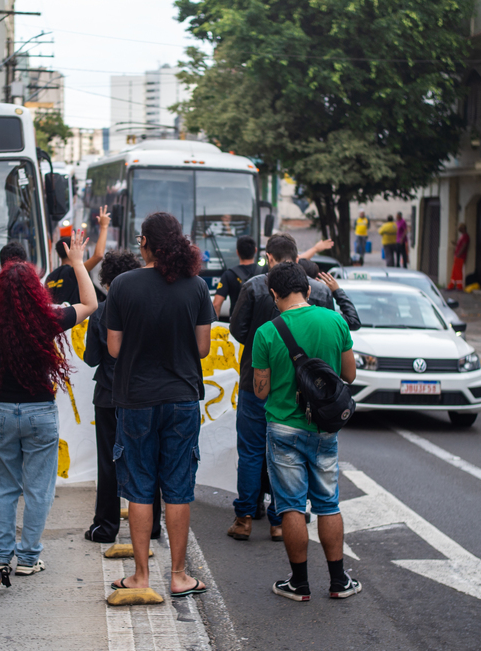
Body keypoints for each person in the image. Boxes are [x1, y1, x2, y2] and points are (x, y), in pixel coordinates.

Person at [0, 217, 97, 577]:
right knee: (38, 488)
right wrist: (79, 262)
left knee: (2, 487)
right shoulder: (48, 317)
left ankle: (1, 556)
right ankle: (29, 558)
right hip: (40, 411)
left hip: (0, 410)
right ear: (36, 287)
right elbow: (89, 304)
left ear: (0, 287)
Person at [105, 212, 215, 598]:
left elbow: (114, 348)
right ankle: (180, 575)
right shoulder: (197, 287)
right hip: (182, 398)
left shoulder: (122, 284)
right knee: (178, 487)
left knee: (139, 486)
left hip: (136, 399)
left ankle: (139, 576)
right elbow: (202, 348)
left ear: (145, 243)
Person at [251, 261, 359, 601]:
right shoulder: (335, 321)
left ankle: (299, 583)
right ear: (308, 290)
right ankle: (339, 581)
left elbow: (261, 391)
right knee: (328, 503)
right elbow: (350, 375)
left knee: (292, 506)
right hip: (325, 428)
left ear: (273, 294)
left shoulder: (267, 332)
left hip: (283, 428)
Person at [227, 233, 341, 542]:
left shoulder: (254, 287)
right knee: (296, 458)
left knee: (251, 451)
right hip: (309, 390)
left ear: (271, 257)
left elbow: (238, 330)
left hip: (256, 383)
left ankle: (245, 518)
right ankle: (280, 519)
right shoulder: (318, 290)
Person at [82, 248, 163, 544]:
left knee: (109, 462)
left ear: (105, 280)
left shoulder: (102, 311)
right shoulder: (148, 305)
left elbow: (91, 358)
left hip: (108, 396)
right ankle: (152, 526)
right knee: (147, 459)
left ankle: (105, 527)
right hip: (145, 393)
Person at [46, 206, 109, 304]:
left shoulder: (50, 277)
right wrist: (104, 226)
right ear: (73, 251)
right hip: (75, 318)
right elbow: (99, 255)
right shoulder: (75, 272)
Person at [213, 235, 259, 318]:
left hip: (238, 326)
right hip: (261, 326)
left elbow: (216, 305)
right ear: (255, 251)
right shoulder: (265, 271)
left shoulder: (229, 274)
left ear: (237, 252)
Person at [448, 223, 470, 290]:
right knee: (454, 271)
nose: (459, 230)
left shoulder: (465, 236)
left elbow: (464, 246)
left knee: (458, 271)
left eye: (460, 229)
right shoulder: (462, 236)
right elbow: (460, 245)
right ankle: (452, 285)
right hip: (457, 256)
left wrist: (458, 254)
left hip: (460, 257)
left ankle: (459, 286)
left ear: (463, 229)